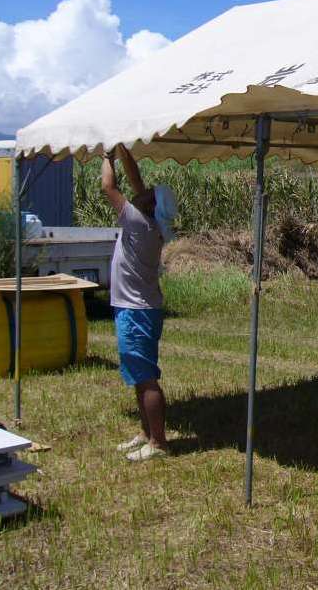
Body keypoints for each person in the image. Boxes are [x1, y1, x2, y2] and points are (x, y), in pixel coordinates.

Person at [101, 144, 178, 462]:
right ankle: (147, 434)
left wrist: (107, 157)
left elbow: (108, 186)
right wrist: (124, 151)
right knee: (137, 373)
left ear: (149, 206)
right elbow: (136, 181)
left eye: (149, 194)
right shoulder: (151, 221)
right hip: (138, 307)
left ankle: (158, 442)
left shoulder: (136, 221)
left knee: (146, 377)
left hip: (136, 311)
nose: (143, 192)